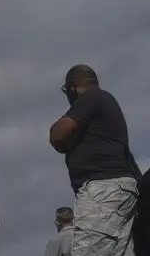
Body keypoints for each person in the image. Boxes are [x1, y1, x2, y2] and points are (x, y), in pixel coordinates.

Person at [49, 64, 141, 256]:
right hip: (120, 191)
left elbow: (58, 135)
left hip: (102, 191)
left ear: (72, 87)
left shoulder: (90, 97)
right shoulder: (105, 104)